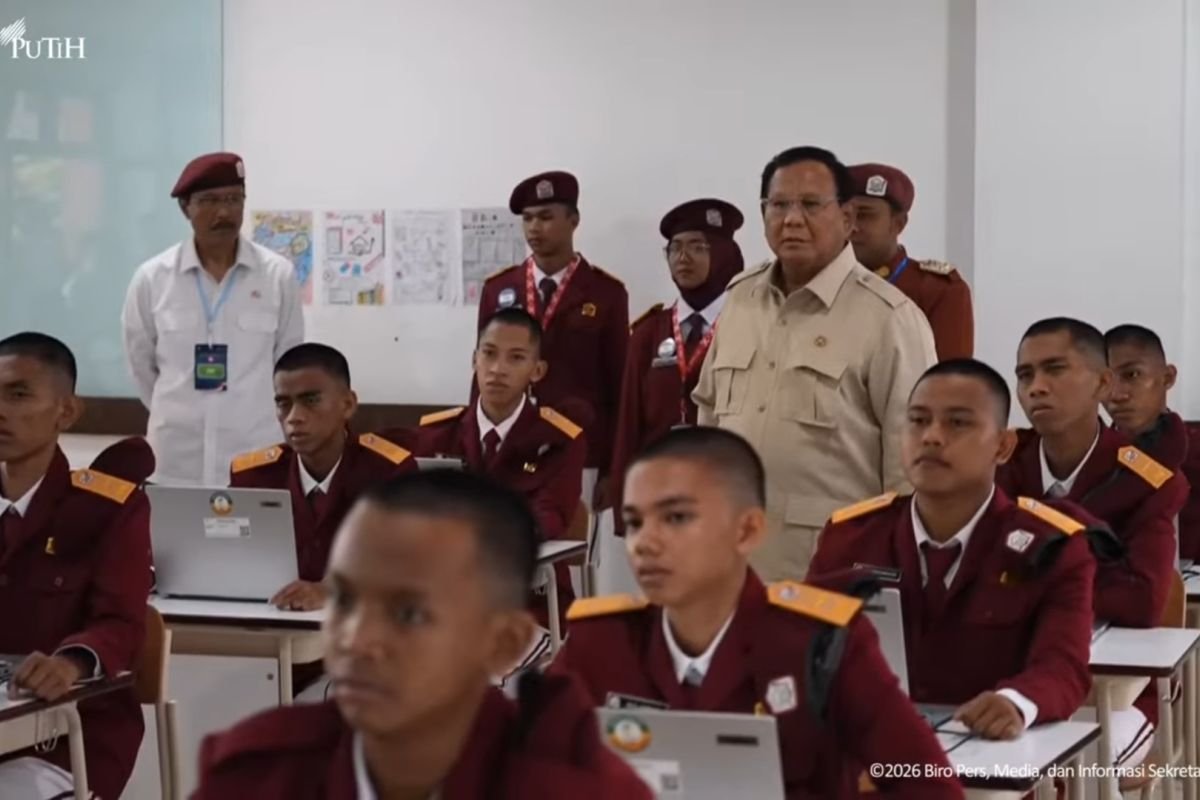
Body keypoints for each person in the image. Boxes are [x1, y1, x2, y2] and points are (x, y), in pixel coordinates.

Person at [552, 427, 962, 799]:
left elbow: (928, 783)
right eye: (634, 522)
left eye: (676, 517)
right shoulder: (600, 642)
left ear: (746, 530)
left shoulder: (820, 644)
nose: (645, 542)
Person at [192, 470, 652, 799]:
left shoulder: (576, 788)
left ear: (504, 643)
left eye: (408, 613)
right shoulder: (256, 778)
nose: (356, 640)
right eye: (345, 601)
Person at [808, 359, 1095, 741]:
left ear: (1003, 446)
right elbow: (804, 648)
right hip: (865, 747)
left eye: (957, 423)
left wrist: (1015, 702)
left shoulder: (1051, 546)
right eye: (918, 420)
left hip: (988, 751)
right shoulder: (850, 537)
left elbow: (1063, 666)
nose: (931, 437)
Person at [694, 146, 937, 581]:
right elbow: (710, 419)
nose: (792, 219)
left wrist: (894, 575)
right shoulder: (741, 299)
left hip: (829, 568)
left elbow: (911, 465)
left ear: (847, 218)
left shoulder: (889, 318)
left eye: (810, 204)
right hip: (732, 561)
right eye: (779, 205)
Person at [997, 317, 1189, 766]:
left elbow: (1142, 599)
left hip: (1118, 689)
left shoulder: (1145, 481)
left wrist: (1033, 580)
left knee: (1082, 762)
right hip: (1012, 671)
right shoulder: (1001, 469)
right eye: (1025, 375)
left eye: (1055, 369)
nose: (1036, 388)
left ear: (1102, 384)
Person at [0, 333, 152, 800]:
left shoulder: (107, 508)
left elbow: (120, 622)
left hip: (67, 738)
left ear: (66, 412)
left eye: (17, 395)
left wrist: (71, 663)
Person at [121, 152, 304, 486]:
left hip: (254, 453)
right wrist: (181, 409)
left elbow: (288, 362)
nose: (224, 212)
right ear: (185, 208)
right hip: (175, 458)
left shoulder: (277, 276)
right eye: (210, 201)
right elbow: (141, 366)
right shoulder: (152, 278)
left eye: (234, 200)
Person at [408, 308, 586, 620]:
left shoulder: (558, 440)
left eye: (516, 358)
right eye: (489, 354)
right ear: (474, 360)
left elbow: (549, 518)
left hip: (527, 599)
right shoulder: (437, 435)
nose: (497, 369)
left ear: (537, 370)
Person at [476, 171, 628, 509]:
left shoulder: (606, 293)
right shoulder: (499, 289)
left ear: (573, 221)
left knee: (571, 540)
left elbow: (620, 387)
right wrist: (474, 450)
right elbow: (482, 373)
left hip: (579, 450)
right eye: (528, 219)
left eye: (545, 217)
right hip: (509, 449)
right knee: (507, 538)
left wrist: (613, 469)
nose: (534, 228)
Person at [230, 343, 416, 611]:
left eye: (311, 400)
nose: (294, 417)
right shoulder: (254, 477)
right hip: (270, 618)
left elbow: (403, 559)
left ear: (348, 404)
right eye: (283, 403)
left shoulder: (388, 472)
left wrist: (333, 590)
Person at [610, 198, 744, 535]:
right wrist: (625, 507)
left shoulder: (748, 326)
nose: (683, 258)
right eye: (675, 248)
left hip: (726, 491)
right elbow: (630, 424)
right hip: (659, 495)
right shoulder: (648, 332)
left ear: (724, 253)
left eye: (698, 247)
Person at [847, 163, 974, 361]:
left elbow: (951, 375)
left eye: (864, 215)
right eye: (844, 215)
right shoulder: (818, 281)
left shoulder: (937, 290)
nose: (851, 226)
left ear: (898, 224)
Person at [1103, 324, 1200, 560]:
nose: (1116, 395)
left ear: (1168, 377)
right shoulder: (1090, 456)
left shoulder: (1194, 450)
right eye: (1104, 381)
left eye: (1132, 375)